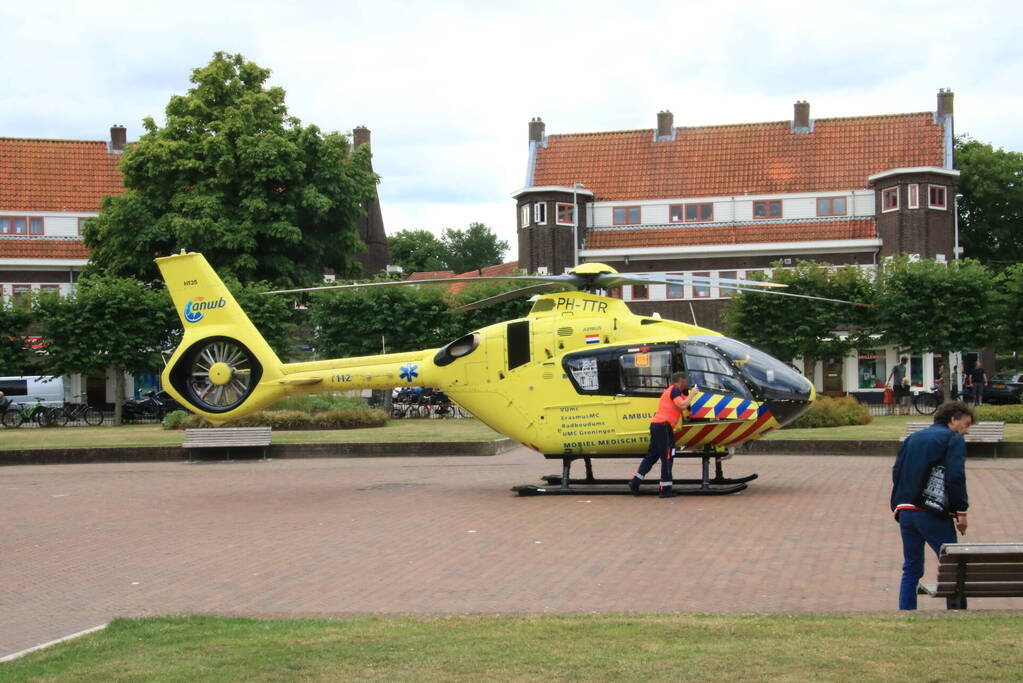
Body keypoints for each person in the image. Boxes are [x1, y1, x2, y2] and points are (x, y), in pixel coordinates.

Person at [890, 401, 972, 610]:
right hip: (932, 512)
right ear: (953, 420)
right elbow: (955, 476)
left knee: (911, 567)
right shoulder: (952, 439)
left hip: (906, 510)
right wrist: (960, 511)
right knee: (952, 565)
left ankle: (906, 612)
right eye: (965, 424)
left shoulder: (912, 438)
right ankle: (956, 612)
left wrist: (898, 502)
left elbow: (897, 471)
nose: (966, 431)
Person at [628, 372, 696, 498]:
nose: (688, 382)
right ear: (681, 380)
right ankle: (665, 489)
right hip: (663, 426)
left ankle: (635, 482)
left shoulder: (675, 392)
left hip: (657, 426)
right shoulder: (674, 390)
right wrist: (692, 394)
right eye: (686, 380)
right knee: (668, 456)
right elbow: (682, 404)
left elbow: (685, 408)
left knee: (652, 456)